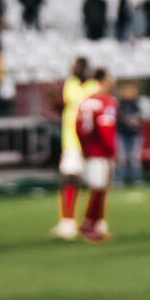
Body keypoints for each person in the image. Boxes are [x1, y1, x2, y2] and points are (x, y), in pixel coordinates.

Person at [51, 56, 95, 239]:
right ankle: (68, 221)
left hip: (88, 140)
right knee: (70, 178)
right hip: (72, 140)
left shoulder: (88, 86)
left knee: (93, 181)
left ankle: (91, 221)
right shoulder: (73, 84)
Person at [73, 71, 117, 241]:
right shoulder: (106, 101)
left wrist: (84, 148)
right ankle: (90, 223)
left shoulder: (85, 101)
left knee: (97, 187)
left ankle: (94, 223)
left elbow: (77, 127)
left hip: (88, 149)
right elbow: (106, 128)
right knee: (99, 187)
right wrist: (111, 150)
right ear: (103, 81)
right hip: (101, 151)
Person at [115, 81, 145, 192]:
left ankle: (137, 178)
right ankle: (119, 179)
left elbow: (140, 118)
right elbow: (120, 119)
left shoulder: (135, 105)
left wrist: (134, 120)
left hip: (134, 135)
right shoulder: (119, 105)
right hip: (122, 134)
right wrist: (129, 120)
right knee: (121, 158)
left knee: (135, 158)